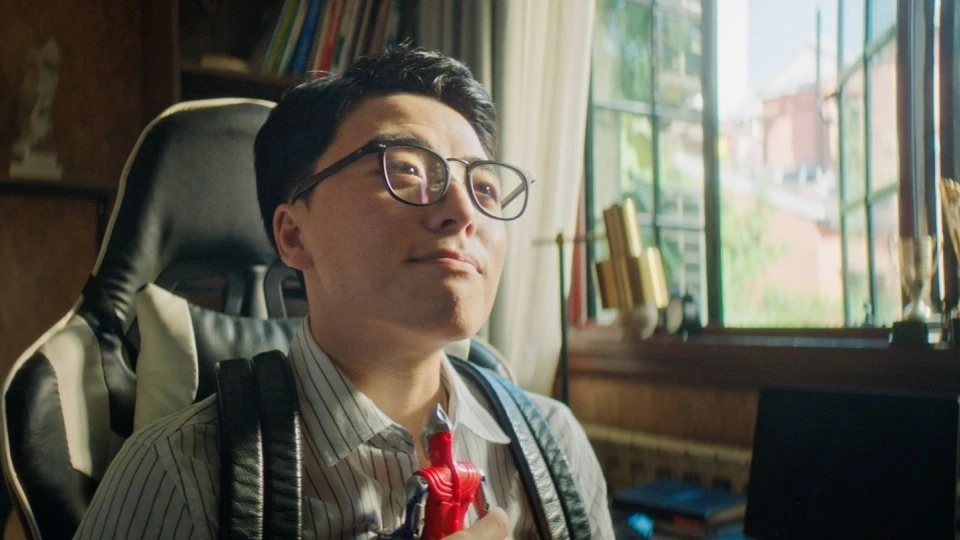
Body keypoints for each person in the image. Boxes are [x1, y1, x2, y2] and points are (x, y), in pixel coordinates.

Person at [74, 47, 614, 539]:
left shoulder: (555, 447)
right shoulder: (178, 474)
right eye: (405, 169)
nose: (463, 210)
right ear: (293, 234)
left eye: (486, 188)